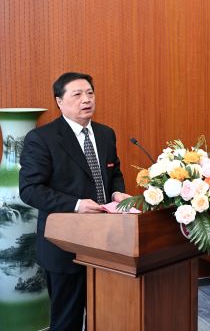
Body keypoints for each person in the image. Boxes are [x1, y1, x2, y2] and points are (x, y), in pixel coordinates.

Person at [19, 72, 130, 330]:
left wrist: (117, 193)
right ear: (59, 101)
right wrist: (77, 205)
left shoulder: (105, 134)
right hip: (64, 245)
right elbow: (30, 189)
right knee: (66, 321)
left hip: (107, 242)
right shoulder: (42, 138)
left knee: (105, 316)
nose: (86, 99)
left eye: (90, 93)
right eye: (77, 94)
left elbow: (114, 173)